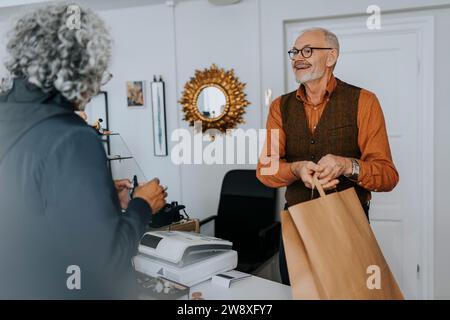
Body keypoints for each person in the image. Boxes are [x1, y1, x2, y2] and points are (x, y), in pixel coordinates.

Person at [0, 4, 167, 299]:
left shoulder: (8, 117)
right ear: (81, 69)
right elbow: (104, 262)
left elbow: (28, 208)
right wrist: (143, 205)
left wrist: (96, 195)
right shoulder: (72, 136)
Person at [256, 27, 399, 285]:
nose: (298, 57)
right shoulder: (280, 106)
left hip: (348, 224)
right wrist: (296, 169)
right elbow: (265, 170)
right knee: (297, 293)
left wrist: (347, 165)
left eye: (307, 50)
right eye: (294, 52)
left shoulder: (365, 101)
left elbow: (387, 176)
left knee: (348, 293)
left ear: (331, 57)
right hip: (296, 224)